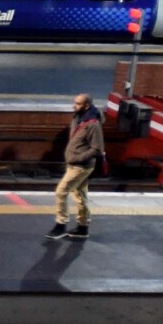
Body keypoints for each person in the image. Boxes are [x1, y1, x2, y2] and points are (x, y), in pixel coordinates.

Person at [49, 92, 105, 242]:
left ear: (86, 106)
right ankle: (83, 227)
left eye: (78, 103)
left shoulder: (93, 125)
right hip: (73, 164)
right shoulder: (78, 117)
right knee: (80, 195)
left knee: (61, 191)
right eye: (75, 102)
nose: (75, 105)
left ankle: (61, 224)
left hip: (81, 166)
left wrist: (78, 158)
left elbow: (97, 149)